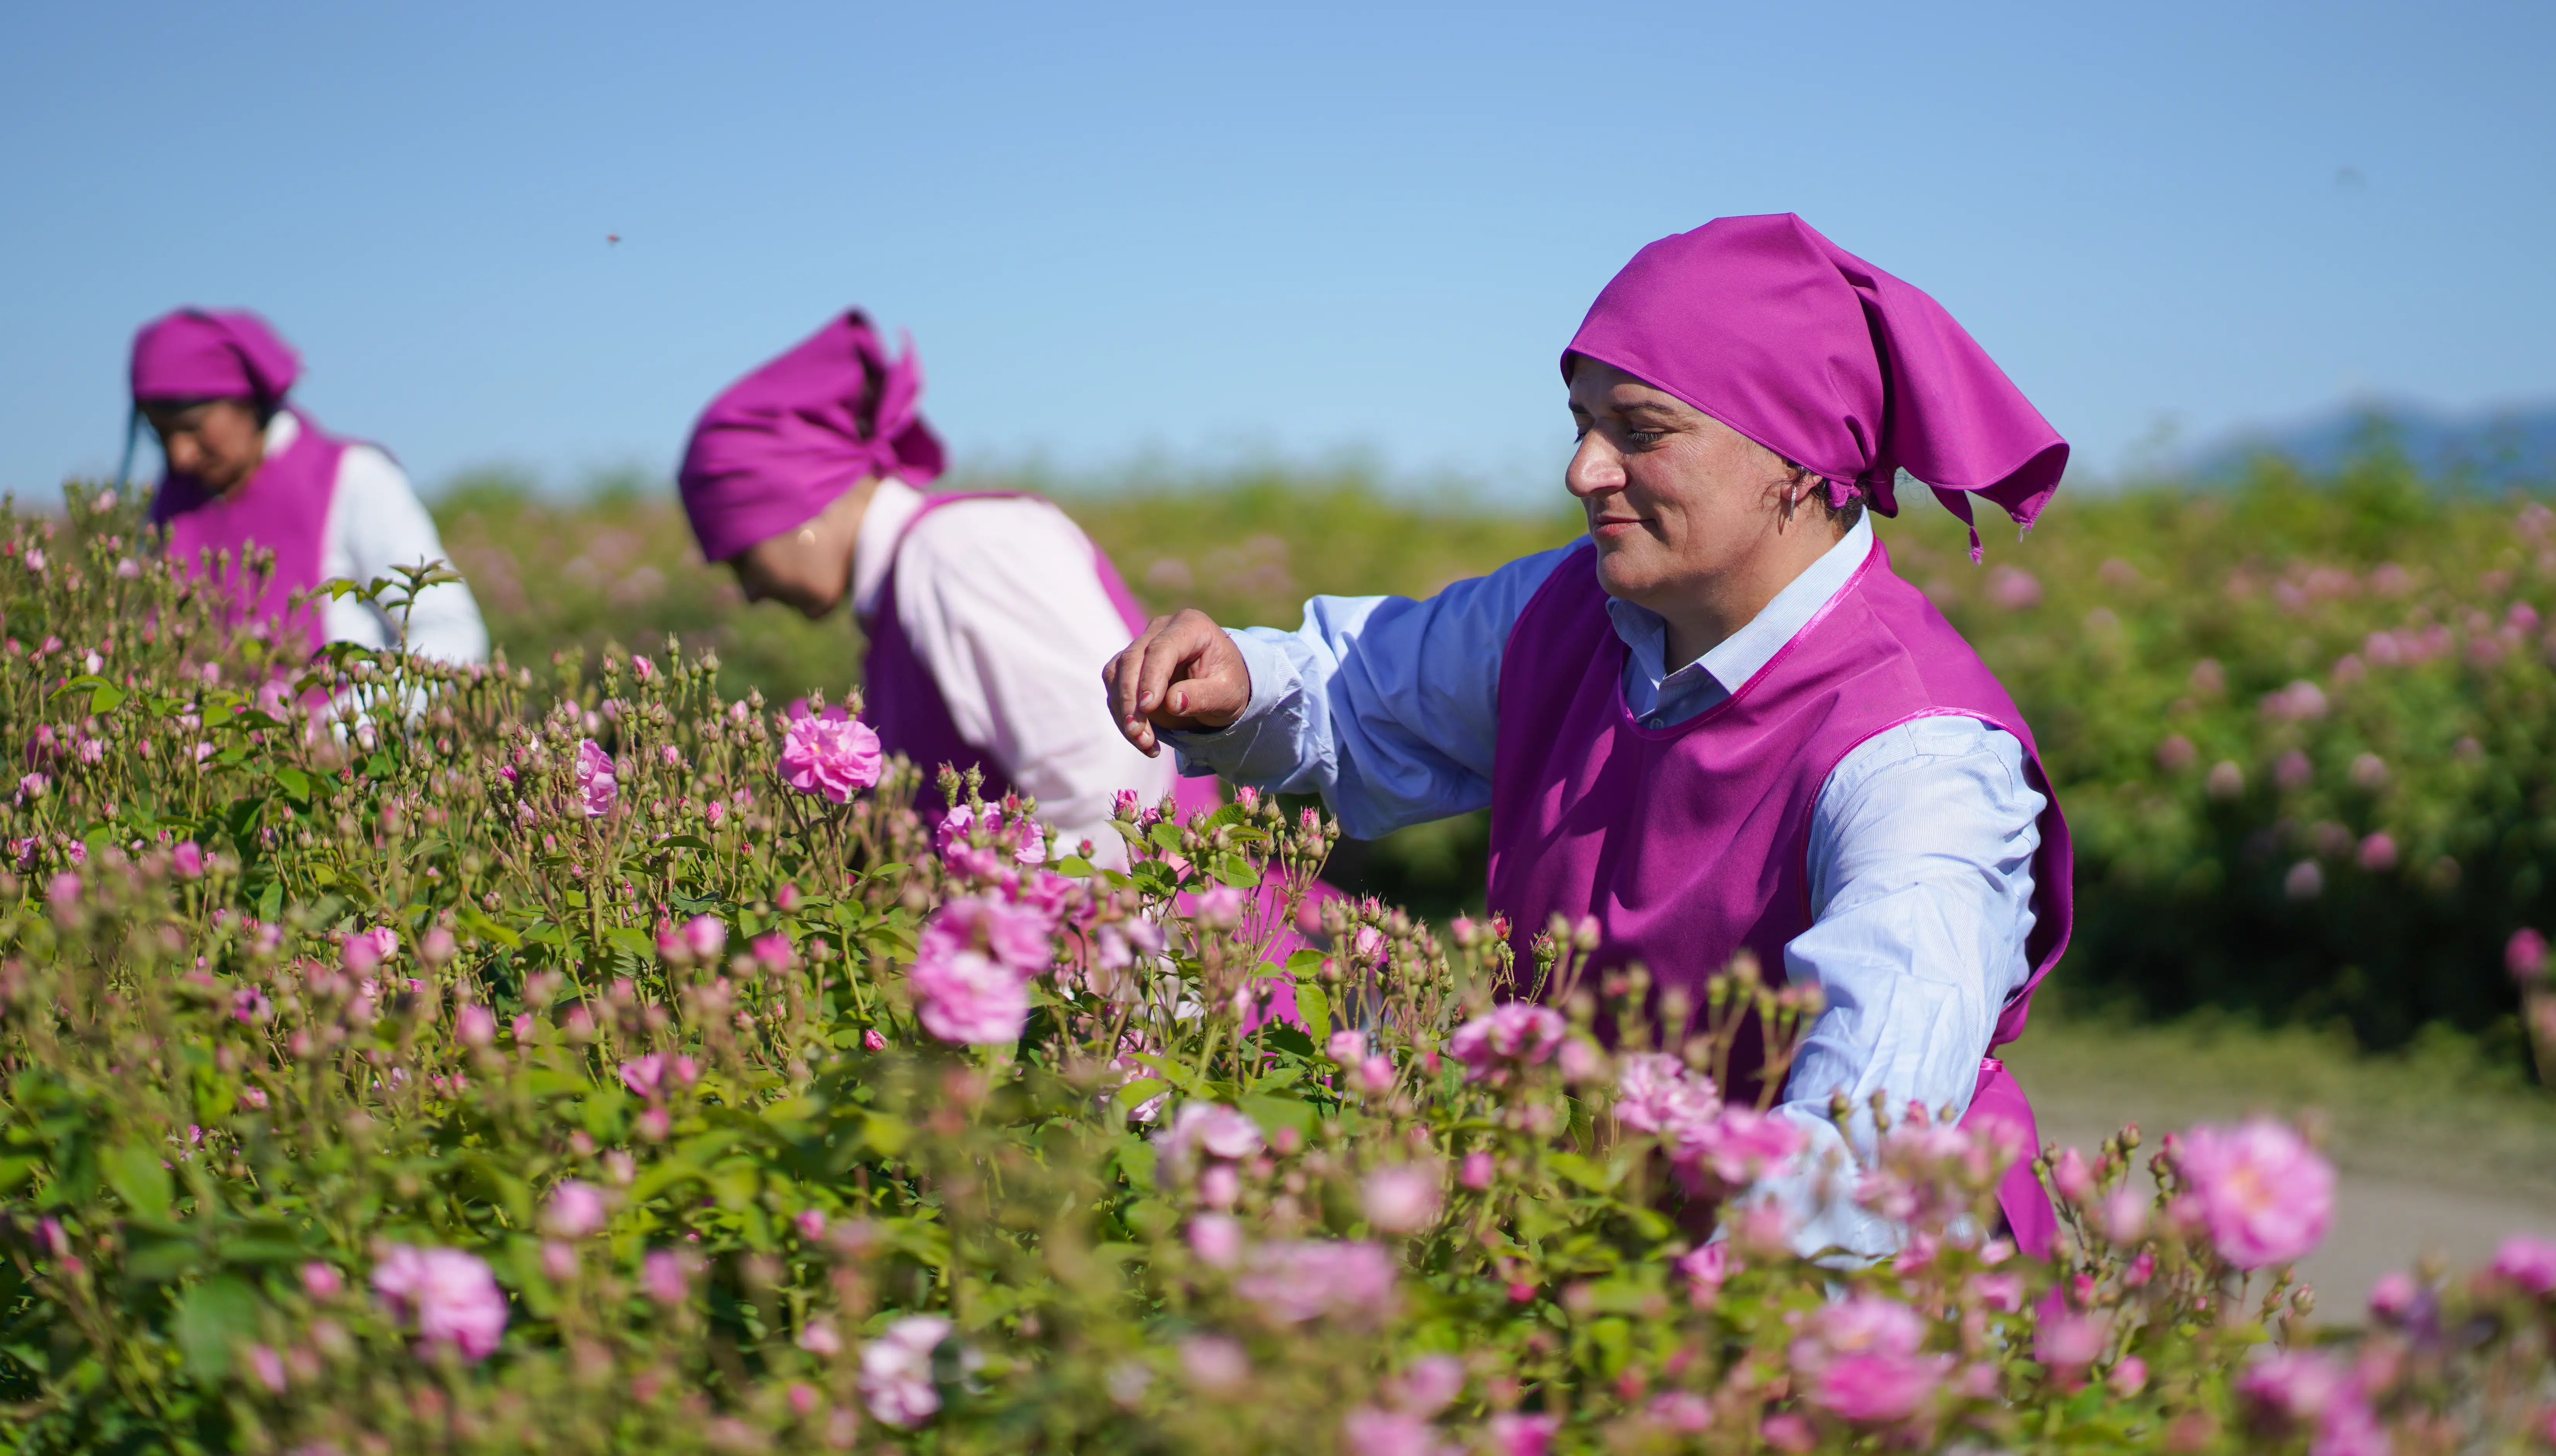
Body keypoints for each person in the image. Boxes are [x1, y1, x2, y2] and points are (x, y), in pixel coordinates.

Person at [1105, 213, 2074, 1260]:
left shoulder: (1918, 757)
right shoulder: (1573, 608)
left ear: (1795, 456)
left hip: (1845, 1341)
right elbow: (1365, 685)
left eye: (1640, 428)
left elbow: (1860, 1167)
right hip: (1601, 1268)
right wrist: (1243, 680)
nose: (1584, 470)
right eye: (1580, 422)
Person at [677, 310, 1219, 866]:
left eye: (743, 560)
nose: (750, 593)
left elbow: (1099, 775)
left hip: (1166, 939)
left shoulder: (958, 553)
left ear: (795, 510)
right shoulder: (910, 577)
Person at [131, 308, 489, 665]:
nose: (180, 456)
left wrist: (353, 715)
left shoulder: (354, 477)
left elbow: (452, 633)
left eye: (193, 427)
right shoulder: (169, 505)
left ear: (248, 401)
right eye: (160, 433)